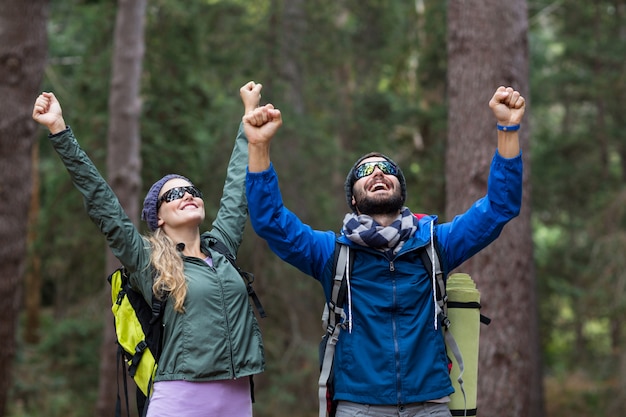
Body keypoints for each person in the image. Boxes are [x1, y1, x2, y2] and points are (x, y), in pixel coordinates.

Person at [243, 86, 525, 417]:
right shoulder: (333, 254)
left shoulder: (435, 244)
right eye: (365, 171)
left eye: (387, 170)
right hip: (359, 407)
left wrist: (508, 129)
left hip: (430, 406)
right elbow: (270, 222)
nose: (377, 173)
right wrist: (259, 146)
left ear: (399, 191)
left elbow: (499, 207)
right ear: (353, 197)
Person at [32, 81, 266, 417]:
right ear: (157, 216)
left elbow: (235, 189)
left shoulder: (222, 249)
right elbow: (102, 202)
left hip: (238, 398)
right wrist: (59, 129)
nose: (186, 195)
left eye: (192, 190)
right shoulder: (147, 260)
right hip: (181, 398)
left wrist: (247, 121)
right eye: (173, 194)